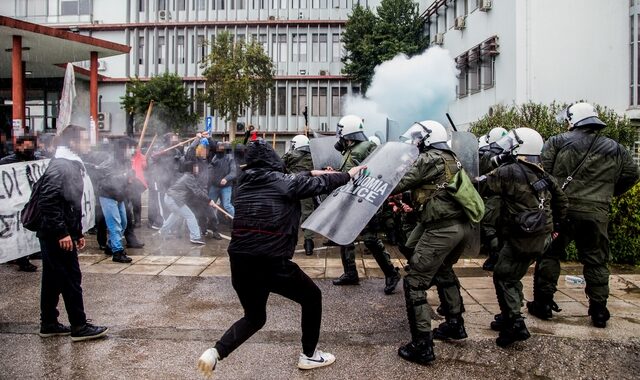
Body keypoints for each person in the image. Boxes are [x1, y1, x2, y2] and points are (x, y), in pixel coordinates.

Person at [196, 140, 365, 377]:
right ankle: (309, 355)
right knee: (312, 297)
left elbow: (296, 178)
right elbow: (318, 184)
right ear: (272, 159)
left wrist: (313, 172)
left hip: (239, 261)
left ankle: (215, 352)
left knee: (254, 317)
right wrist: (348, 174)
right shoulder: (285, 183)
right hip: (270, 260)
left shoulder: (243, 184)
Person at [529, 102, 640, 328]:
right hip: (597, 213)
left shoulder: (558, 141)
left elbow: (541, 173)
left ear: (573, 120)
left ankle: (544, 303)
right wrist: (606, 194)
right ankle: (599, 310)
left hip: (563, 211)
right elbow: (632, 174)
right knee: (597, 260)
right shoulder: (617, 148)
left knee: (550, 254)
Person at [393, 121, 474, 365]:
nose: (415, 142)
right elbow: (433, 189)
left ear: (428, 138)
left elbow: (398, 181)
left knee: (414, 282)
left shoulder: (429, 158)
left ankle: (422, 347)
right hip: (458, 225)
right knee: (442, 269)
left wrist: (369, 180)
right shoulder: (451, 157)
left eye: (418, 138)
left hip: (441, 228)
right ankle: (454, 324)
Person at [478, 128, 568, 347]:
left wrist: (494, 163)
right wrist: (555, 227)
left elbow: (479, 186)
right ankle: (509, 313)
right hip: (542, 237)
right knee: (513, 274)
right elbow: (562, 202)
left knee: (503, 276)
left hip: (522, 238)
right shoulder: (543, 173)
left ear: (520, 147)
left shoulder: (509, 171)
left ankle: (515, 324)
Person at [36, 125, 108, 341]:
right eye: (85, 139)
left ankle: (48, 323)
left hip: (56, 232)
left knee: (52, 279)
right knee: (70, 277)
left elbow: (70, 204)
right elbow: (48, 201)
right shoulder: (61, 165)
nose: (88, 143)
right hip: (54, 233)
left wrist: (76, 233)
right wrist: (62, 233)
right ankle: (79, 325)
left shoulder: (70, 163)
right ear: (73, 142)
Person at [331, 115, 401, 295]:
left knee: (370, 238)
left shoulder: (366, 147)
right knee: (344, 235)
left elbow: (378, 169)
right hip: (351, 199)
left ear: (347, 131)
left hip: (365, 200)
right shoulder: (350, 149)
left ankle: (392, 273)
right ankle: (350, 273)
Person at [0, 135, 40, 272]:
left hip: (28, 202)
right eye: (25, 146)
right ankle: (22, 259)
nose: (28, 149)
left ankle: (26, 254)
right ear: (18, 146)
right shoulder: (6, 162)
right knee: (14, 230)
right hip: (11, 204)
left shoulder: (36, 161)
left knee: (26, 230)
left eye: (31, 146)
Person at [95, 137, 137, 263]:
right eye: (129, 147)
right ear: (123, 149)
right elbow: (104, 178)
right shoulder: (110, 162)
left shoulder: (127, 162)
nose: (131, 150)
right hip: (108, 195)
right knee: (115, 224)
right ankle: (117, 252)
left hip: (119, 196)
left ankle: (111, 245)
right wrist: (124, 176)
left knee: (123, 223)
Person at [160, 161, 214, 245]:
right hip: (174, 199)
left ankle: (163, 231)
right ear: (190, 168)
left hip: (170, 198)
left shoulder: (187, 176)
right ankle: (195, 237)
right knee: (190, 216)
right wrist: (209, 200)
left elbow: (196, 190)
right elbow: (198, 192)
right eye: (195, 167)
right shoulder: (188, 177)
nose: (197, 168)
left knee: (176, 214)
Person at [282, 134, 316, 255]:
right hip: (307, 188)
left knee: (290, 216)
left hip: (292, 188)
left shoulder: (290, 155)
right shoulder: (313, 157)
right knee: (308, 214)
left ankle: (288, 243)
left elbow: (280, 167)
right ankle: (308, 243)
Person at [146, 133, 184, 230]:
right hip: (161, 181)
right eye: (173, 138)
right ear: (168, 140)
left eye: (176, 139)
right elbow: (151, 161)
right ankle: (163, 224)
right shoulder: (161, 150)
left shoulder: (176, 151)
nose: (175, 140)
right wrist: (158, 155)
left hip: (172, 181)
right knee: (162, 203)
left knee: (171, 203)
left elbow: (180, 165)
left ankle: (169, 224)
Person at [209, 142, 237, 218]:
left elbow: (233, 172)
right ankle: (213, 224)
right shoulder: (215, 158)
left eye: (222, 148)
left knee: (227, 205)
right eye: (218, 148)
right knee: (211, 204)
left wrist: (226, 179)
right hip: (214, 186)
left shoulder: (230, 158)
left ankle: (237, 222)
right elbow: (210, 169)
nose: (220, 150)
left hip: (226, 186)